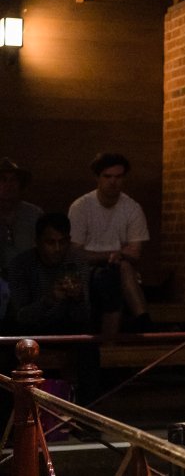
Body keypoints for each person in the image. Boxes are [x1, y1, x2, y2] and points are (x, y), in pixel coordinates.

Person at [8, 212, 100, 404]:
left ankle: (88, 417)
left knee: (89, 345)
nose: (57, 249)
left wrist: (77, 297)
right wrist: (50, 299)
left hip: (64, 325)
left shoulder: (77, 262)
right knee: (9, 348)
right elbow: (21, 316)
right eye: (51, 242)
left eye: (62, 242)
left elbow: (84, 315)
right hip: (29, 329)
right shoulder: (21, 264)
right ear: (38, 242)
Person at [68, 152, 151, 335]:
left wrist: (119, 256)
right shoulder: (81, 207)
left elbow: (135, 252)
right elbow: (75, 253)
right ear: (97, 178)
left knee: (120, 269)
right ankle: (142, 318)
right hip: (87, 271)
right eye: (108, 176)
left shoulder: (132, 208)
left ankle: (113, 344)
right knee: (118, 270)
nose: (113, 182)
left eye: (118, 177)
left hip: (119, 267)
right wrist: (113, 254)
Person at [0, 158, 43, 278]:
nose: (8, 185)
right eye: (3, 180)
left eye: (13, 180)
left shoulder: (34, 214)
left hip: (28, 277)